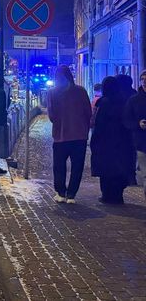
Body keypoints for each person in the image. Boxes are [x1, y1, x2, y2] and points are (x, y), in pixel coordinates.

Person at [47, 65, 92, 204]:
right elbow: (88, 112)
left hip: (61, 136)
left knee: (59, 166)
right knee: (77, 166)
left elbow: (51, 115)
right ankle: (71, 195)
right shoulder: (81, 91)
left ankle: (61, 192)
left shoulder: (52, 93)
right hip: (80, 135)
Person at [91, 76, 135, 204]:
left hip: (105, 142)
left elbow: (99, 124)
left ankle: (107, 195)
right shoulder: (124, 101)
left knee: (106, 171)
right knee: (118, 170)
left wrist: (95, 140)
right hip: (122, 142)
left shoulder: (104, 103)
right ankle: (117, 195)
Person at [123, 70, 146, 199]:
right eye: (142, 79)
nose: (144, 81)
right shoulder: (134, 100)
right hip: (142, 142)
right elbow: (127, 119)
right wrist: (138, 124)